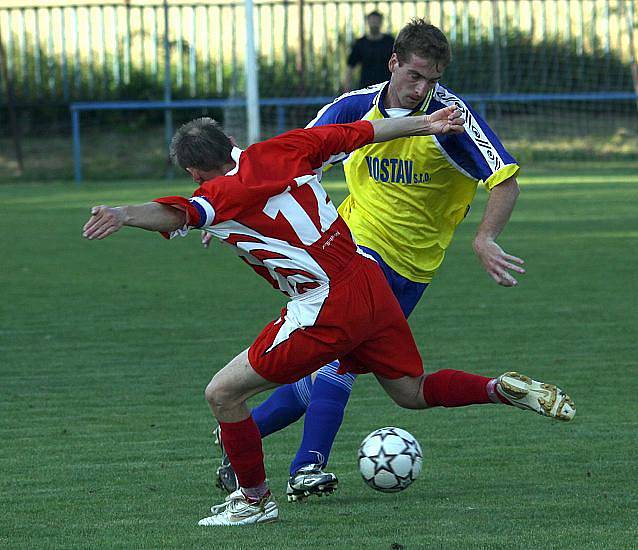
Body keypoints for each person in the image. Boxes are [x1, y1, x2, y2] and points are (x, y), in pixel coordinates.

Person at [82, 112, 575, 526]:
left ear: (193, 171)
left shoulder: (215, 198)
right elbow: (359, 132)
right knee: (411, 391)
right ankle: (498, 388)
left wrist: (124, 213)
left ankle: (253, 500)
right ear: (233, 143)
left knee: (223, 393)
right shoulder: (287, 147)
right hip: (367, 279)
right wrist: (426, 121)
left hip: (323, 305)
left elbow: (179, 213)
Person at [212, 18, 576, 504]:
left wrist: (485, 237)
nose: (422, 89)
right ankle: (306, 466)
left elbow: (505, 181)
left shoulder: (452, 120)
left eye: (432, 80)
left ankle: (242, 435)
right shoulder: (353, 108)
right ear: (394, 63)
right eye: (414, 76)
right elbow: (288, 161)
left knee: (387, 384)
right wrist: (224, 209)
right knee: (336, 362)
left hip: (413, 270)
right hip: (349, 253)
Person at [344, 11, 395, 91]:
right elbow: (350, 66)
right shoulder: (360, 43)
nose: (374, 23)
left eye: (376, 21)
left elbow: (399, 63)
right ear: (367, 22)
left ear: (381, 22)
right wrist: (347, 87)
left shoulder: (390, 42)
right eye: (372, 21)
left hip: (387, 86)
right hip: (366, 87)